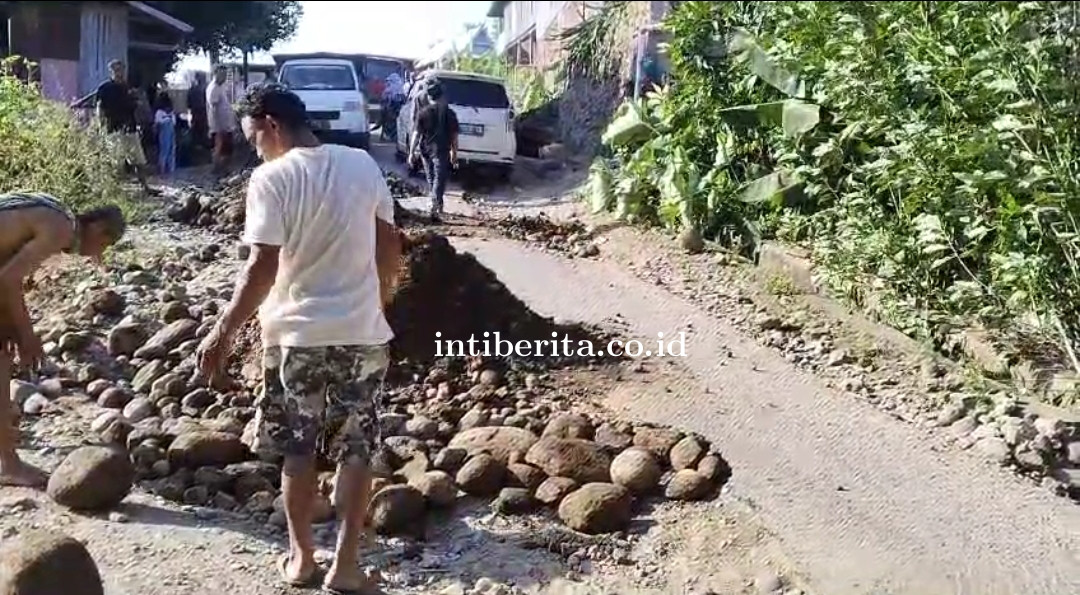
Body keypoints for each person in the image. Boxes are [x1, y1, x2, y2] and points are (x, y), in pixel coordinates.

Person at [195, 83, 403, 593]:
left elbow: (261, 267)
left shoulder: (271, 178)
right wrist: (379, 302)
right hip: (361, 334)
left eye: (253, 139)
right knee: (357, 450)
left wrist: (223, 332)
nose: (255, 149)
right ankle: (346, 567)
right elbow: (390, 247)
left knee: (299, 449)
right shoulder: (363, 164)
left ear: (270, 125)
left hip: (294, 337)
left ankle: (302, 560)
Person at [0, 192, 126, 487]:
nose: (98, 255)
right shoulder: (60, 228)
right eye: (104, 246)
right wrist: (28, 336)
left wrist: (13, 328)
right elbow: (8, 279)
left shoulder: (53, 210)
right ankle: (7, 463)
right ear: (97, 229)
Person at [93, 60, 149, 192]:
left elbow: (136, 107)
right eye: (116, 70)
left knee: (139, 160)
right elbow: (99, 108)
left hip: (130, 128)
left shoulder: (128, 89)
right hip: (113, 128)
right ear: (111, 71)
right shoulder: (105, 88)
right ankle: (116, 190)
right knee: (117, 163)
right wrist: (101, 127)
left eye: (121, 70)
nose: (119, 73)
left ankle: (145, 187)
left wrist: (139, 123)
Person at [408, 81, 458, 223]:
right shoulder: (450, 114)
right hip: (441, 150)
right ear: (442, 96)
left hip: (426, 150)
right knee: (438, 179)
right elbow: (454, 136)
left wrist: (411, 152)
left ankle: (436, 203)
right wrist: (454, 153)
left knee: (432, 179)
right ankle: (436, 203)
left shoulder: (423, 113)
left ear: (429, 97)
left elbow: (416, 134)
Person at [206, 65, 238, 175]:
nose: (224, 76)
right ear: (215, 74)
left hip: (227, 125)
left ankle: (225, 170)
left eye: (225, 74)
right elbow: (213, 109)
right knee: (220, 150)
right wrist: (218, 126)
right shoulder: (213, 88)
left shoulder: (222, 87)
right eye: (222, 74)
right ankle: (217, 171)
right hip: (219, 127)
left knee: (228, 150)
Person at [154, 95, 177, 175]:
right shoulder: (160, 113)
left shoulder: (170, 113)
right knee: (165, 151)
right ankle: (162, 169)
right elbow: (158, 122)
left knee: (171, 150)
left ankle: (170, 169)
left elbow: (174, 122)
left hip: (170, 133)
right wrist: (167, 118)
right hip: (164, 133)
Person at [187, 72, 209, 149]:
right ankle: (202, 146)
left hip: (196, 112)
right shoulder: (206, 89)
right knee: (202, 129)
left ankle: (196, 146)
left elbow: (188, 103)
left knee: (196, 129)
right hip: (202, 112)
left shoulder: (192, 89)